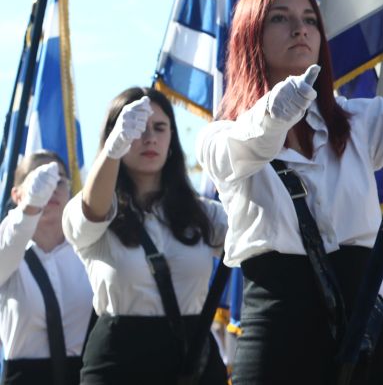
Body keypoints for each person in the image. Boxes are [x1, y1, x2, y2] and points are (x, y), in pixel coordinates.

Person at [197, 0, 383, 385]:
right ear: (252, 37)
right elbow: (246, 147)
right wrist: (275, 113)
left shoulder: (358, 121)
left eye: (309, 20)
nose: (300, 29)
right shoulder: (218, 136)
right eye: (280, 18)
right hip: (281, 322)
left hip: (364, 320)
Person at [62, 87, 228, 384]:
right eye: (136, 128)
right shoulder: (95, 207)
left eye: (160, 127)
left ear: (172, 140)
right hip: (120, 362)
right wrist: (113, 150)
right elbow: (93, 209)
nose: (149, 137)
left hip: (193, 362)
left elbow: (258, 232)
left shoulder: (205, 214)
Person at [0, 152, 92, 384]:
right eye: (39, 179)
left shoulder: (89, 250)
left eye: (59, 180)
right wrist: (31, 207)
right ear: (16, 194)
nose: (51, 187)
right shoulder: (7, 249)